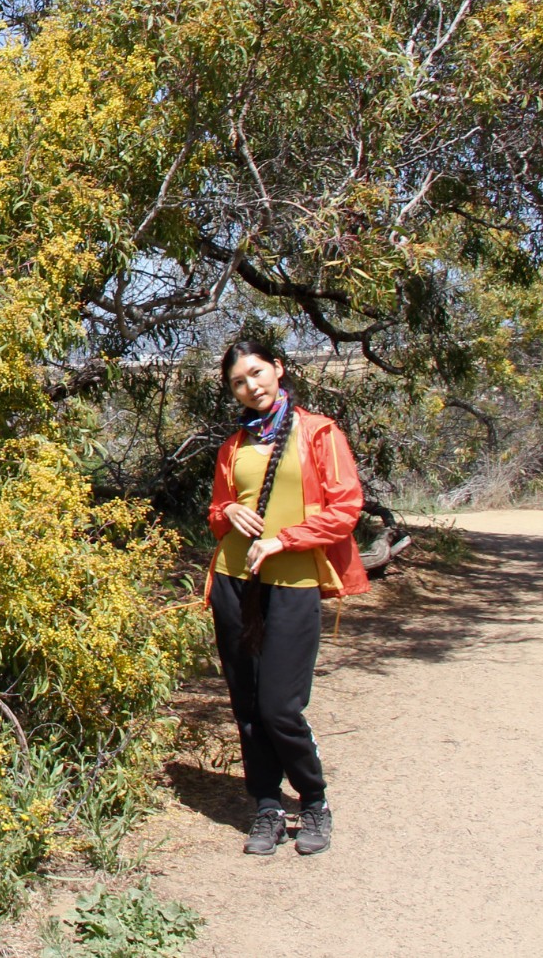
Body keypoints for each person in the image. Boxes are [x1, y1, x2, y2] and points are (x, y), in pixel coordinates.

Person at [205, 339, 369, 856]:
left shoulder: (318, 432)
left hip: (293, 582)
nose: (250, 386)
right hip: (235, 580)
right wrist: (228, 513)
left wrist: (284, 539)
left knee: (280, 706)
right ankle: (267, 806)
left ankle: (313, 798)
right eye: (238, 382)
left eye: (256, 373)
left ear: (277, 368)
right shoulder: (234, 445)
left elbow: (347, 508)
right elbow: (217, 512)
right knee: (247, 705)